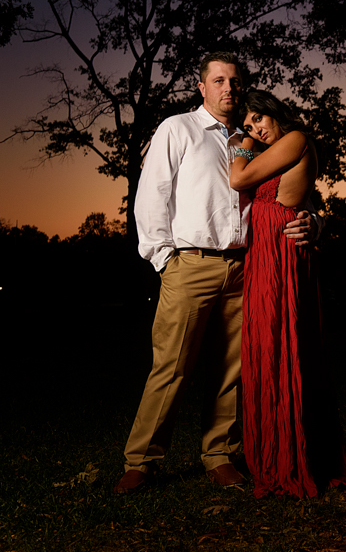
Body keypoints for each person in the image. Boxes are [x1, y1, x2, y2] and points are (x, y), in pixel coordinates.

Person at [113, 53, 316, 495]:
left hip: (248, 267)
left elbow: (284, 192)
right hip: (190, 264)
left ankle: (219, 455)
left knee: (232, 370)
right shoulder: (177, 129)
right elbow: (151, 198)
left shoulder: (255, 140)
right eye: (219, 80)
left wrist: (314, 220)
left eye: (235, 82)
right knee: (171, 366)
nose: (229, 88)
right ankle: (141, 461)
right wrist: (165, 259)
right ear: (201, 86)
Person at [230, 89, 346, 498]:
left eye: (259, 119)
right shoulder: (281, 147)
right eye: (248, 125)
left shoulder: (295, 138)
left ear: (276, 112)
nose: (255, 129)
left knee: (284, 344)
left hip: (280, 253)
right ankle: (275, 448)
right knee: (265, 345)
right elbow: (303, 198)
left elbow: (239, 178)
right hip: (265, 252)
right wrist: (315, 218)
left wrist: (242, 142)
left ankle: (292, 454)